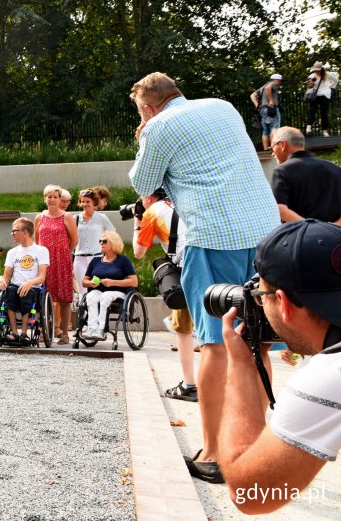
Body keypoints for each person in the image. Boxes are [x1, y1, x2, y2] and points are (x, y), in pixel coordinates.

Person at [128, 71, 280, 484]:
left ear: (147, 107)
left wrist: (144, 135)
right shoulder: (224, 107)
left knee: (214, 342)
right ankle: (254, 445)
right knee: (257, 338)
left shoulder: (157, 126)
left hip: (213, 234)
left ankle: (214, 453)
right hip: (265, 234)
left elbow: (144, 187)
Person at [219, 220, 341, 514]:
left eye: (260, 297)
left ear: (283, 302)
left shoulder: (335, 374)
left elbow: (251, 494)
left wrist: (242, 366)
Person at [133, 189, 197, 402]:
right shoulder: (182, 202)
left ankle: (190, 385)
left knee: (182, 328)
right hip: (210, 257)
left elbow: (138, 252)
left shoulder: (152, 212)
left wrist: (137, 221)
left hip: (188, 267)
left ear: (149, 198)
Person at [269, 126, 341, 226]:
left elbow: (280, 209)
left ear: (282, 144)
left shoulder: (281, 171)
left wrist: (312, 228)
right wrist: (337, 226)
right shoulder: (333, 167)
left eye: (272, 148)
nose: (272, 154)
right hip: (336, 239)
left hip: (300, 238)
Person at [35, 184, 78, 344]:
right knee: (43, 295)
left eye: (55, 196)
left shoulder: (67, 217)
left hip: (61, 260)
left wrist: (63, 253)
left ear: (60, 199)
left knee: (64, 298)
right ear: (45, 198)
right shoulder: (40, 217)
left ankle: (65, 333)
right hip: (44, 262)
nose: (52, 199)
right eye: (49, 196)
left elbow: (74, 240)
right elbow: (36, 240)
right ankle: (43, 330)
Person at [0, 218, 49, 343]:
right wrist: (1, 279)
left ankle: (24, 333)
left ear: (25, 232)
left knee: (26, 292)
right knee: (9, 290)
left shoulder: (41, 251)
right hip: (15, 286)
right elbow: (6, 276)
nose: (12, 234)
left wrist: (30, 283)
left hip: (34, 287)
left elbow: (42, 277)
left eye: (15, 231)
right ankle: (14, 333)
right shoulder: (12, 252)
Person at [80, 231, 138, 339]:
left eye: (104, 241)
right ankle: (92, 327)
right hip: (99, 290)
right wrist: (91, 283)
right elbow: (84, 281)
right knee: (91, 296)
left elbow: (134, 281)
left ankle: (101, 329)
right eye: (100, 241)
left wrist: (113, 282)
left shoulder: (123, 260)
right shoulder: (96, 260)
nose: (101, 243)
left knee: (105, 296)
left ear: (113, 243)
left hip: (118, 292)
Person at [73, 189, 116, 300]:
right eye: (82, 201)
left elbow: (112, 235)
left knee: (97, 290)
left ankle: (96, 315)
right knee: (83, 293)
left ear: (94, 203)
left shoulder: (102, 218)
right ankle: (85, 316)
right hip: (79, 259)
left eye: (88, 201)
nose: (85, 204)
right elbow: (71, 239)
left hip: (96, 258)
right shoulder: (75, 219)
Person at [305, 61, 340, 137]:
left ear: (321, 69)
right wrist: (309, 84)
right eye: (315, 70)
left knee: (324, 113)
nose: (316, 71)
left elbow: (336, 81)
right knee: (312, 110)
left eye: (317, 70)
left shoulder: (327, 75)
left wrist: (331, 87)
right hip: (315, 95)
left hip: (325, 95)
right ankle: (308, 128)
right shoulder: (311, 76)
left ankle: (325, 131)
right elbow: (310, 87)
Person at [250, 73, 282, 149]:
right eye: (280, 81)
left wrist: (257, 105)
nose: (280, 83)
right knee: (274, 129)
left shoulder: (262, 87)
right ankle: (274, 149)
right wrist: (271, 100)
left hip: (263, 110)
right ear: (276, 80)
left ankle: (265, 149)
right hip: (271, 109)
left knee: (265, 131)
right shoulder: (272, 83)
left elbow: (252, 95)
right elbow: (268, 88)